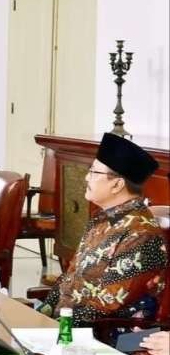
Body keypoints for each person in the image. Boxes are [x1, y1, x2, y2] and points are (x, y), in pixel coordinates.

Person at [39, 133, 167, 326]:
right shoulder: (102, 218)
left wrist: (58, 323)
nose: (86, 177)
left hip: (102, 335)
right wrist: (42, 313)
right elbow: (71, 277)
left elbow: (107, 306)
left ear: (117, 184)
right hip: (67, 325)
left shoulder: (141, 234)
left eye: (93, 172)